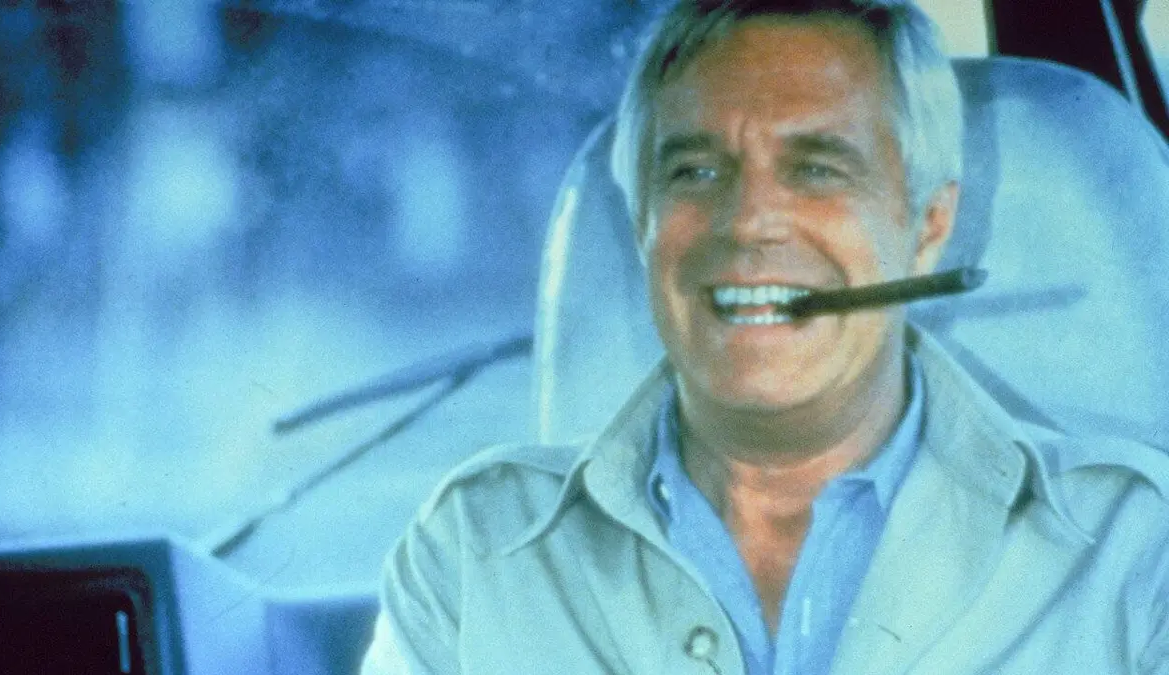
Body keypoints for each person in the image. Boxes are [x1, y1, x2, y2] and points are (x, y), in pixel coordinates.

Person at [363, 1, 1169, 672]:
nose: (748, 222)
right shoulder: (475, 556)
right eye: (695, 171)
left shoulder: (1135, 556)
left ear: (929, 224)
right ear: (642, 224)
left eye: (818, 167)